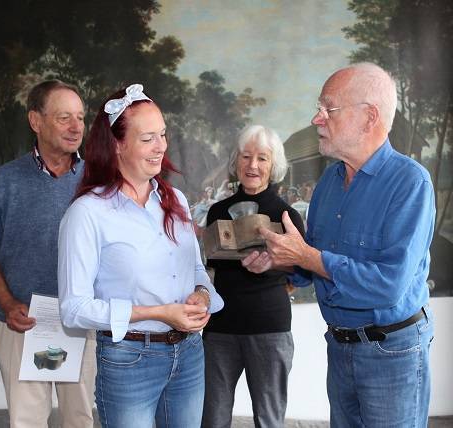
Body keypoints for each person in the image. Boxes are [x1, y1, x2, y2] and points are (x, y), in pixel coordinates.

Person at [243, 63, 435, 428]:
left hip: (391, 352)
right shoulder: (329, 183)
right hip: (340, 348)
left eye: (328, 108)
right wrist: (279, 261)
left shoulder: (411, 184)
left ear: (369, 117)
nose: (317, 119)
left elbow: (388, 285)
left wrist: (307, 256)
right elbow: (312, 262)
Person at [57, 83, 224, 428]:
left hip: (189, 354)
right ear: (117, 145)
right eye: (147, 138)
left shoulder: (175, 199)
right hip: (129, 361)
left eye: (162, 135)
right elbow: (73, 309)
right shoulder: (87, 213)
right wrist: (160, 312)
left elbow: (195, 268)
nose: (161, 146)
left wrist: (201, 295)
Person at [0, 80, 96, 428]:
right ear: (36, 121)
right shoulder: (3, 182)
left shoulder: (98, 182)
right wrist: (9, 303)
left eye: (80, 118)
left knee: (80, 420)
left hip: (79, 325)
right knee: (27, 422)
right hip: (24, 325)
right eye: (63, 117)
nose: (75, 128)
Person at [201, 125, 305, 428]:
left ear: (274, 165)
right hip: (220, 329)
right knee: (212, 418)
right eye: (246, 157)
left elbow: (302, 270)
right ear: (236, 162)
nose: (253, 165)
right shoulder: (217, 211)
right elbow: (210, 266)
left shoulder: (287, 215)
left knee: (269, 419)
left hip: (269, 328)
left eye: (262, 158)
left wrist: (273, 264)